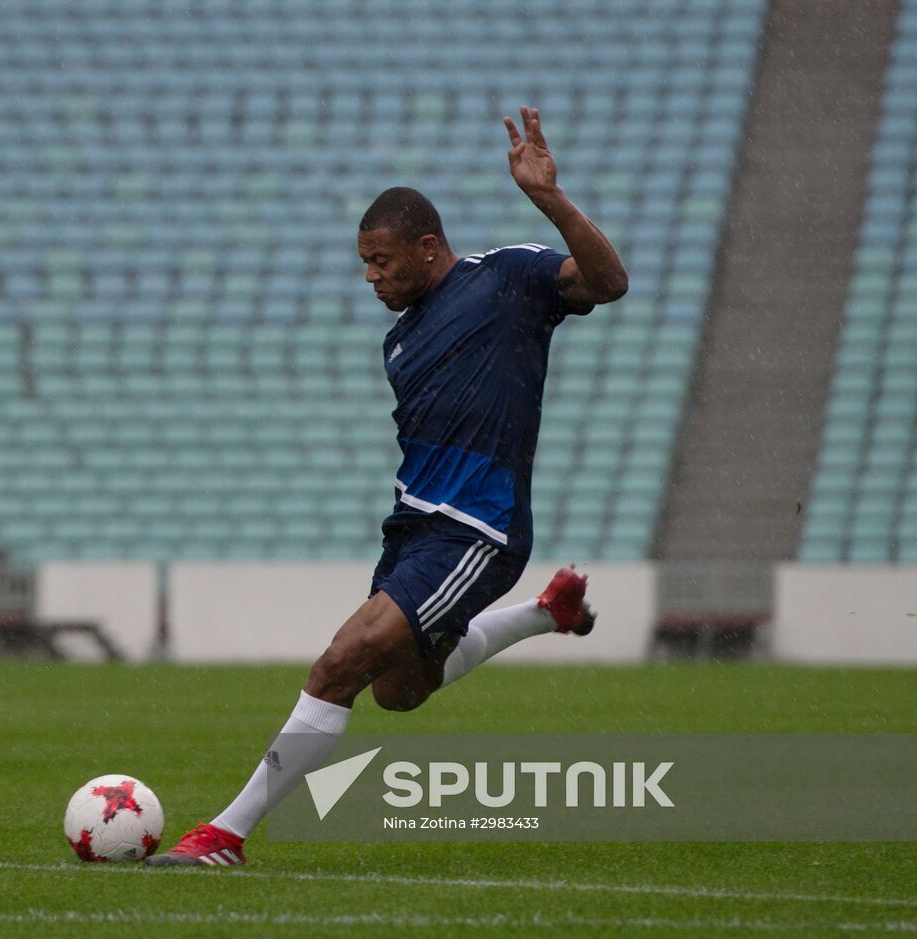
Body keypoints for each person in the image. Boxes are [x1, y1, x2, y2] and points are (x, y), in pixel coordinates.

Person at [148, 106, 629, 867]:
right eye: (365, 264)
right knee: (399, 690)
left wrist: (551, 200)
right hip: (413, 530)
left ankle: (223, 834)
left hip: (479, 528)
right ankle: (547, 612)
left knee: (339, 662)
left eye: (382, 260)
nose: (372, 277)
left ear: (428, 247)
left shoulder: (506, 278)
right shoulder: (401, 341)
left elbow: (609, 282)